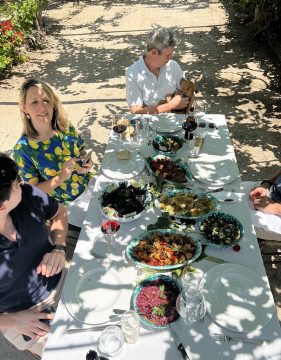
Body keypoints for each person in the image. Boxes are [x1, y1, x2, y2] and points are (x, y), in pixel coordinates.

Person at [0, 153, 68, 358]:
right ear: (2, 206)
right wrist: (10, 321)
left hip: (62, 283)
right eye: (17, 182)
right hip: (21, 317)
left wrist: (59, 248)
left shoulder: (27, 196)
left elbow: (60, 213)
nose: (22, 183)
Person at [13, 78, 94, 228]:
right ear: (24, 108)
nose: (42, 107)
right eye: (34, 102)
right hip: (68, 206)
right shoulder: (23, 149)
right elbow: (32, 190)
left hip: (90, 186)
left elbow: (81, 150)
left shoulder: (65, 127)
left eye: (46, 100)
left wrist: (86, 162)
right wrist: (62, 176)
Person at [125, 27, 194, 114]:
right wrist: (171, 105)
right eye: (167, 55)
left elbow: (190, 93)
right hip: (149, 125)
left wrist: (189, 117)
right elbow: (136, 111)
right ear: (154, 52)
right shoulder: (133, 73)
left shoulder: (173, 66)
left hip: (176, 124)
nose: (171, 57)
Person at [245, 169, 281, 241]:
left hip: (278, 212)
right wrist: (267, 184)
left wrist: (277, 208)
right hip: (272, 189)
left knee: (237, 217)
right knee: (230, 189)